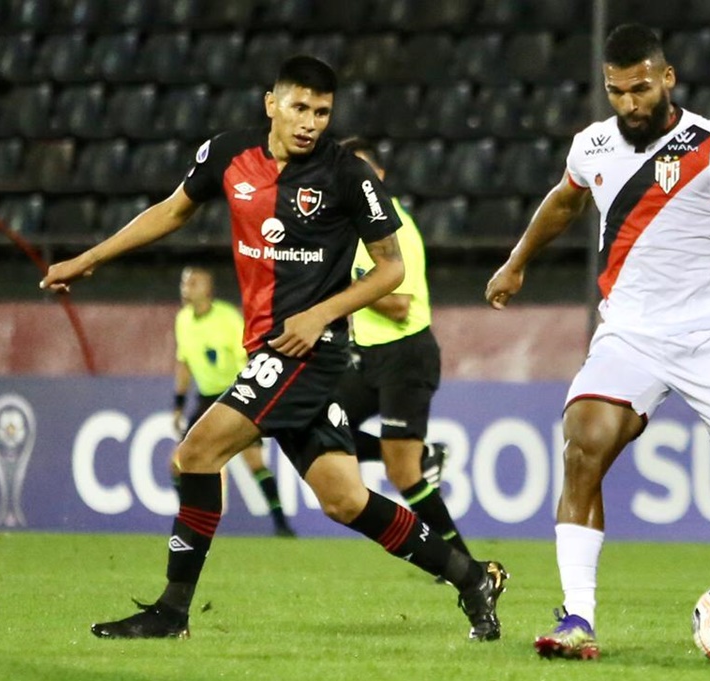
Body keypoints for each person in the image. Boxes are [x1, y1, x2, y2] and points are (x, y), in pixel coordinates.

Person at [40, 55, 506, 641]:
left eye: (322, 111)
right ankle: (471, 578)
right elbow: (172, 210)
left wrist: (320, 313)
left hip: (305, 351)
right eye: (300, 107)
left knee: (196, 454)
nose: (310, 121)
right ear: (272, 104)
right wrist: (88, 260)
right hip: (271, 346)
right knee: (345, 500)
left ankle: (171, 612)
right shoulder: (229, 154)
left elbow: (392, 270)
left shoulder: (346, 175)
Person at [484, 24, 710, 661]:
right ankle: (578, 618)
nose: (628, 104)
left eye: (638, 88)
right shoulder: (594, 144)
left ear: (667, 79)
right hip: (630, 332)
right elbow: (563, 202)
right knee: (582, 445)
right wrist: (517, 260)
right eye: (615, 91)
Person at [334, 136, 468, 557]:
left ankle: (462, 561)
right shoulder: (349, 232)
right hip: (366, 358)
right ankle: (425, 453)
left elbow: (397, 306)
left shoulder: (393, 227)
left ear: (380, 176)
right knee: (317, 422)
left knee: (403, 473)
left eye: (361, 170)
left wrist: (350, 288)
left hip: (405, 354)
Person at [173, 265, 295, 537]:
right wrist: (178, 404)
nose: (186, 287)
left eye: (193, 282)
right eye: (184, 282)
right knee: (178, 463)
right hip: (205, 397)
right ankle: (192, 522)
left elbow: (250, 355)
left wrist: (252, 394)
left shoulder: (227, 319)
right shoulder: (182, 320)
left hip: (234, 393)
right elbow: (183, 363)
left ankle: (282, 525)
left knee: (254, 462)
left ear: (208, 288)